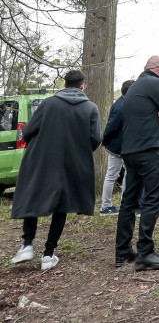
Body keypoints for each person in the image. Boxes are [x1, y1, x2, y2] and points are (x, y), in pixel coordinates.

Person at [10, 70, 101, 271]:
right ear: (82, 86)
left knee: (33, 195)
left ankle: (27, 245)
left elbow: (28, 131)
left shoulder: (49, 103)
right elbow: (95, 138)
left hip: (43, 159)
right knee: (62, 206)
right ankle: (48, 254)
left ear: (65, 84)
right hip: (71, 163)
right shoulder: (90, 108)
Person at [115, 56, 159, 271]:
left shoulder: (134, 87)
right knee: (154, 199)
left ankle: (122, 252)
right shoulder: (156, 83)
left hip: (130, 151)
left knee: (129, 201)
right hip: (149, 150)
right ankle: (145, 252)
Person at [100, 79, 135, 215]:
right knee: (112, 175)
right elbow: (111, 126)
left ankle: (123, 202)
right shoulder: (121, 106)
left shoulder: (123, 103)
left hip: (122, 145)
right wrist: (105, 139)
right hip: (118, 146)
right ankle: (106, 205)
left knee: (124, 173)